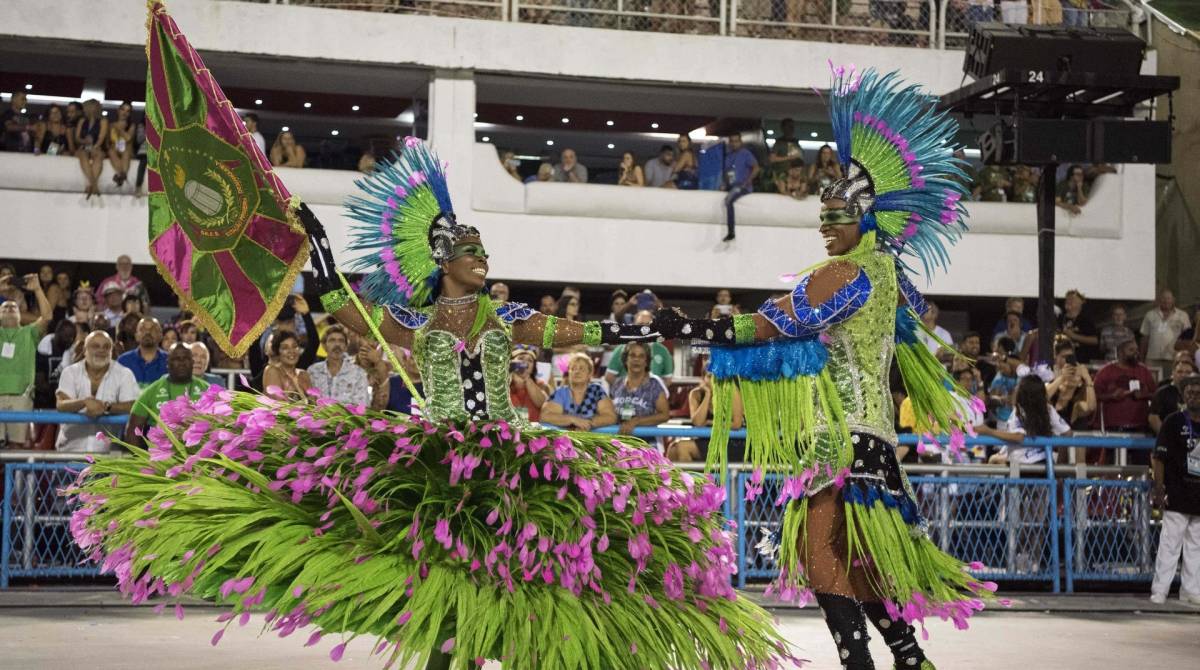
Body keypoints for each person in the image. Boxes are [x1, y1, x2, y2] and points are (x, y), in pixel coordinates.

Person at [72, 137, 796, 669]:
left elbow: (597, 329)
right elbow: (338, 307)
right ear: (443, 259)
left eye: (483, 246)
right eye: (469, 247)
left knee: (501, 594)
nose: (482, 255)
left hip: (514, 465)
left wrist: (677, 323)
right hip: (442, 464)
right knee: (446, 599)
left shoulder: (507, 319)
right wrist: (316, 245)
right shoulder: (414, 325)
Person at [649, 67, 994, 669]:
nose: (824, 225)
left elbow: (771, 324)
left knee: (819, 555)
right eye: (823, 216)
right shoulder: (889, 275)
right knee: (856, 561)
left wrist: (694, 327)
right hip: (875, 438)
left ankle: (858, 662)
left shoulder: (846, 274)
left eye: (836, 216)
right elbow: (917, 315)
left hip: (843, 437)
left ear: (863, 216)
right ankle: (909, 658)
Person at [1149, 375, 1200, 605]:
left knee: (1196, 546)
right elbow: (1159, 457)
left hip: (1198, 495)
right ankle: (1160, 590)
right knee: (1170, 544)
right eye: (1189, 392)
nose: (1194, 396)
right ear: (1183, 395)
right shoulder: (1173, 421)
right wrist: (1159, 487)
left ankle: (1191, 591)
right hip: (1177, 491)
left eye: (1198, 392)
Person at [55, 330, 138, 453]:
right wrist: (85, 402)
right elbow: (61, 404)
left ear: (111, 351)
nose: (101, 350)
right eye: (95, 346)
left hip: (107, 457)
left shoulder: (124, 374)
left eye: (106, 347)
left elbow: (132, 405)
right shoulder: (70, 372)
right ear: (84, 350)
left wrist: (106, 406)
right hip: (70, 451)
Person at [124, 343, 210, 448]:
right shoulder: (151, 391)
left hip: (199, 457)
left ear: (192, 362)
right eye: (176, 359)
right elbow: (133, 430)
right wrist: (139, 459)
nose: (182, 363)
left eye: (186, 358)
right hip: (161, 459)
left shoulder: (207, 389)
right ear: (168, 363)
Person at [0, 274, 51, 448]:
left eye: (13, 307)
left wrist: (37, 289)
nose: (9, 308)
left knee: (16, 447)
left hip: (21, 397)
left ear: (21, 315)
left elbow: (47, 316)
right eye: (4, 307)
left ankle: (14, 477)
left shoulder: (29, 333)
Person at [668, 372, 746, 464]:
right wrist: (707, 395)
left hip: (730, 441)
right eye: (709, 376)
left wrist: (710, 423)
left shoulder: (731, 391)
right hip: (706, 439)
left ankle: (692, 478)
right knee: (672, 449)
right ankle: (683, 477)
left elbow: (737, 424)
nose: (712, 380)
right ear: (703, 378)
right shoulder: (695, 394)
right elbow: (698, 422)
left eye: (715, 376)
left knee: (682, 447)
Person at [1093, 338, 1156, 440]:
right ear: (1119, 352)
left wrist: (1144, 395)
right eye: (1131, 350)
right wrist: (1112, 396)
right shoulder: (1105, 372)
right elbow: (1094, 396)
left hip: (1140, 426)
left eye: (1137, 350)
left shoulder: (1144, 371)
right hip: (1112, 427)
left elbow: (1156, 395)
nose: (1136, 353)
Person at [609, 342, 671, 439]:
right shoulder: (617, 384)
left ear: (646, 361)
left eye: (641, 356)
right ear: (625, 359)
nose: (636, 359)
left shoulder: (654, 385)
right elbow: (609, 412)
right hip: (619, 443)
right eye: (632, 355)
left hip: (647, 444)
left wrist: (636, 421)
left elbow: (664, 415)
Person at [540, 352, 616, 430]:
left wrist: (586, 423)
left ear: (589, 374)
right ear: (569, 373)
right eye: (573, 368)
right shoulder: (561, 392)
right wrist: (572, 420)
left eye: (581, 368)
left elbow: (610, 416)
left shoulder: (596, 391)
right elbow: (545, 416)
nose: (577, 371)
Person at [605, 310, 674, 386]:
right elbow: (609, 377)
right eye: (640, 324)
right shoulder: (622, 349)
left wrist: (654, 391)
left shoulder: (663, 351)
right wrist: (626, 389)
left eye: (648, 324)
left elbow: (668, 379)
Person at [305, 324, 369, 405]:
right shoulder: (313, 371)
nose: (337, 345)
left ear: (346, 346)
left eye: (341, 341)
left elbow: (363, 406)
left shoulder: (358, 373)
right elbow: (309, 402)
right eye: (332, 340)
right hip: (318, 417)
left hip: (347, 417)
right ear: (324, 346)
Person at [1141, 289, 1191, 377]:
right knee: (1152, 384)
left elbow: (1188, 339)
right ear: (1159, 300)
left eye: (1168, 298)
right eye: (1163, 298)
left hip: (1174, 359)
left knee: (1172, 384)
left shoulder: (1183, 315)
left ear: (1173, 300)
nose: (1166, 301)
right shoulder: (1150, 315)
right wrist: (1142, 358)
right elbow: (1145, 338)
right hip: (1153, 359)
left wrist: (1185, 359)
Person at [721, 134, 758, 242]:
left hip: (742, 186)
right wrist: (725, 184)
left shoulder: (746, 154)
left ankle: (731, 231)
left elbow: (756, 168)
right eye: (732, 141)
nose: (734, 143)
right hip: (732, 185)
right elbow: (728, 173)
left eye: (736, 141)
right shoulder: (728, 156)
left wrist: (748, 181)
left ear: (740, 142)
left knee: (729, 200)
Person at [1150, 358, 1199, 435]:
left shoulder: (1198, 394)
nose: (1184, 375)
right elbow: (1153, 417)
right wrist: (1166, 436)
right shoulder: (1162, 393)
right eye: (1180, 372)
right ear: (1173, 373)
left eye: (1188, 372)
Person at [116, 317, 168, 386]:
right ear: (136, 336)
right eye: (142, 329)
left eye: (153, 329)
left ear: (161, 335)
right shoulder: (123, 361)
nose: (148, 332)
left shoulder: (170, 360)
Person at [263, 331, 313, 399]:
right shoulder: (272, 371)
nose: (291, 351)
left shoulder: (304, 374)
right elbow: (277, 405)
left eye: (294, 346)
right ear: (277, 352)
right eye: (285, 348)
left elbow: (314, 403)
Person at [74, 99, 108, 198]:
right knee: (83, 155)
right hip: (84, 147)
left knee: (99, 156)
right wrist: (85, 141)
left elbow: (101, 137)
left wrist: (95, 147)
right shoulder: (82, 121)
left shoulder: (103, 121)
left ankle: (90, 185)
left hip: (97, 146)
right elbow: (77, 138)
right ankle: (94, 185)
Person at [1058, 289, 1099, 362]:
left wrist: (1073, 336)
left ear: (1080, 303)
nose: (1069, 301)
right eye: (1067, 299)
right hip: (1062, 361)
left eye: (1072, 299)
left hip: (1081, 360)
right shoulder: (1059, 318)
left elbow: (1094, 340)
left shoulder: (1085, 320)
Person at [508, 348, 549, 421]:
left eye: (530, 360)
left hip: (533, 429)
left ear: (533, 367)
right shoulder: (503, 383)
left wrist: (527, 379)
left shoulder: (540, 384)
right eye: (521, 358)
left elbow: (541, 404)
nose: (525, 362)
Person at [106, 101, 137, 188]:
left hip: (126, 149)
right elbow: (108, 141)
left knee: (126, 150)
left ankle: (120, 176)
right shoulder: (110, 124)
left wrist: (119, 129)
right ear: (118, 110)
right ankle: (121, 174)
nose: (124, 113)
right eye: (123, 109)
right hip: (114, 149)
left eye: (128, 111)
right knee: (111, 150)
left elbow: (128, 138)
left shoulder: (131, 125)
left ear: (130, 114)